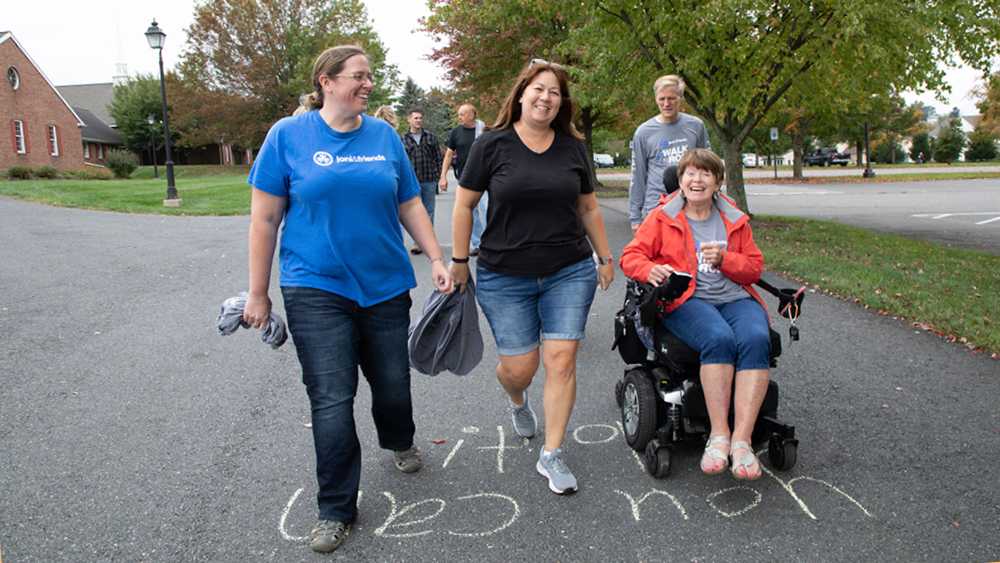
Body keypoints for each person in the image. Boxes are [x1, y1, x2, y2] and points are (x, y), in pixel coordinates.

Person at [243, 45, 454, 553]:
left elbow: (408, 202)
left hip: (383, 283)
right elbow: (265, 219)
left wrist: (435, 258)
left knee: (391, 383)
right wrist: (258, 292)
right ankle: (335, 507)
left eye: (369, 77)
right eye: (358, 76)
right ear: (326, 81)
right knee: (332, 399)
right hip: (314, 284)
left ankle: (398, 438)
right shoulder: (287, 137)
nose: (367, 84)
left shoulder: (383, 136)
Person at [449, 59, 614, 494]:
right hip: (505, 274)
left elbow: (588, 207)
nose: (545, 97)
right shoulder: (492, 145)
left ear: (562, 102)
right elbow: (464, 206)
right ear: (521, 94)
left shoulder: (572, 146)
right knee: (520, 368)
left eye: (554, 92)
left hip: (569, 270)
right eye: (538, 89)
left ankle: (553, 454)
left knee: (561, 361)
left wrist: (604, 256)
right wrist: (460, 260)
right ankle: (516, 400)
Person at [620, 148, 770, 482]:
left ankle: (741, 442)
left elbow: (755, 267)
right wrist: (651, 270)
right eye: (689, 173)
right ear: (681, 179)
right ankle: (718, 436)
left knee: (757, 339)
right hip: (687, 300)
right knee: (718, 338)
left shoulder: (733, 218)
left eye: (705, 174)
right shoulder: (663, 216)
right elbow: (631, 257)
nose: (696, 180)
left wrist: (727, 260)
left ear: (718, 181)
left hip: (734, 298)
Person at [629, 75, 711, 235]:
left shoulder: (696, 126)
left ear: (681, 97)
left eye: (671, 98)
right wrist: (635, 218)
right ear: (655, 98)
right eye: (662, 99)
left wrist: (712, 200)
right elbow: (637, 176)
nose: (666, 104)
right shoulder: (644, 132)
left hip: (691, 204)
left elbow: (709, 168)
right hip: (657, 207)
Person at [440, 103, 487, 255]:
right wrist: (443, 176)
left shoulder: (483, 131)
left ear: (472, 115)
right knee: (469, 212)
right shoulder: (455, 132)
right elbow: (448, 154)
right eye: (459, 114)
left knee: (488, 209)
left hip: (485, 177)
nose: (459, 117)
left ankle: (491, 242)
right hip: (465, 179)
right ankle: (478, 244)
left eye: (462, 114)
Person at [401, 108, 444, 255]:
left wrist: (440, 175)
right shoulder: (403, 138)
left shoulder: (430, 137)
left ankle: (425, 242)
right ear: (409, 120)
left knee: (429, 211)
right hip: (412, 182)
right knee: (414, 212)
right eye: (415, 118)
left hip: (428, 179)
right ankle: (416, 241)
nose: (418, 120)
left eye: (420, 118)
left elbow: (438, 158)